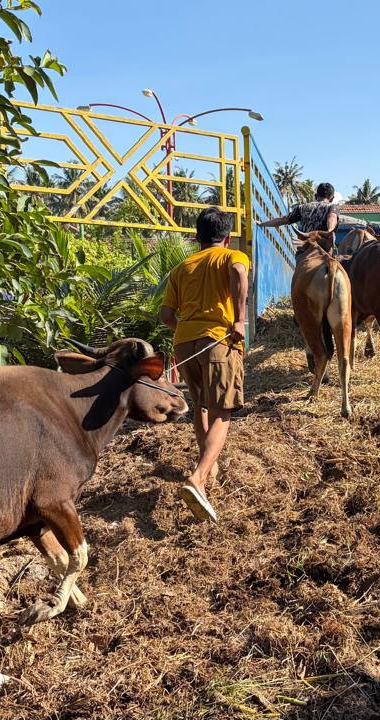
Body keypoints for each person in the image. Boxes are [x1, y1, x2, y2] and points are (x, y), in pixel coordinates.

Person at [159, 207, 250, 523]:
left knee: (200, 405)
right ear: (227, 237)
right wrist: (239, 319)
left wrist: (188, 330)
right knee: (223, 410)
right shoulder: (232, 256)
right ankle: (197, 478)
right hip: (218, 340)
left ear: (197, 237)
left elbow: (166, 316)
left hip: (184, 341)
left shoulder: (182, 268)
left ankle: (208, 469)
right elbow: (239, 274)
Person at [257, 182, 339, 234]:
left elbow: (283, 220)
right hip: (323, 247)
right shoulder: (332, 207)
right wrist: (330, 231)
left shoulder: (302, 207)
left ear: (315, 196)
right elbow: (332, 217)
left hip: (305, 246)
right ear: (332, 198)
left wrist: (262, 224)